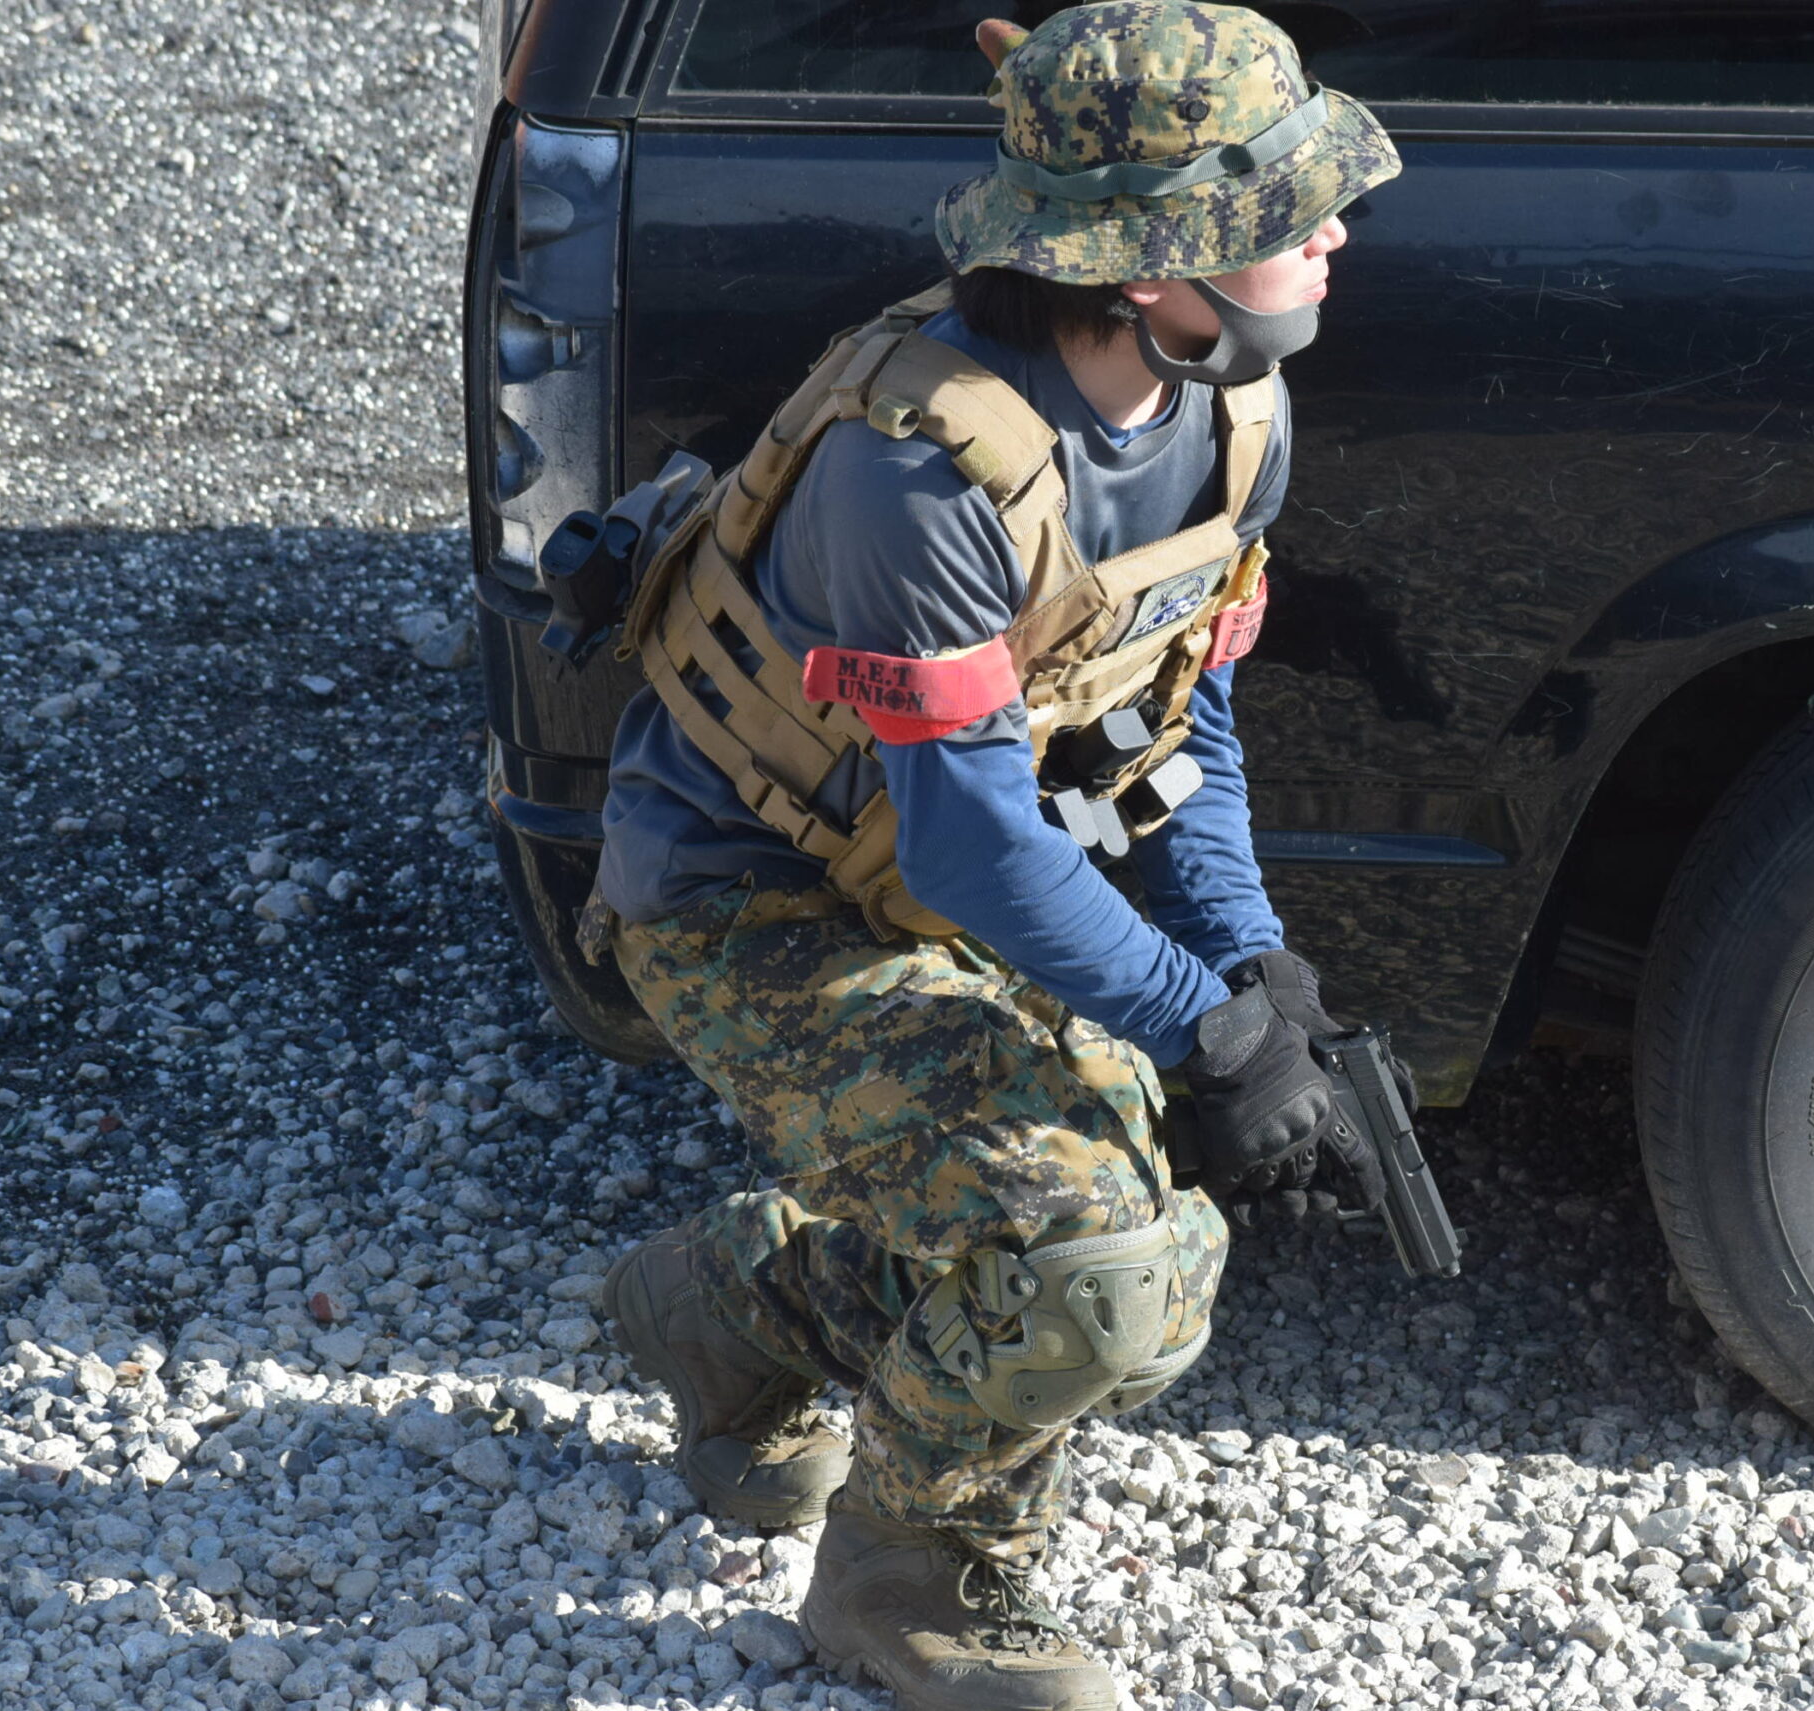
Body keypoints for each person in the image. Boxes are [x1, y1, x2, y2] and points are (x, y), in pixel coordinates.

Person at [585, 5, 1402, 1704]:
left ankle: (740, 1307)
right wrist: (1208, 1034)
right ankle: (913, 1572)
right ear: (1150, 267)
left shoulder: (1234, 416)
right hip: (749, 904)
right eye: (1284, 212)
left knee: (1151, 1244)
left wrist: (1257, 967)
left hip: (930, 872)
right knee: (1104, 1265)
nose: (1332, 233)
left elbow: (1181, 731)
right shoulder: (920, 475)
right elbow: (972, 850)